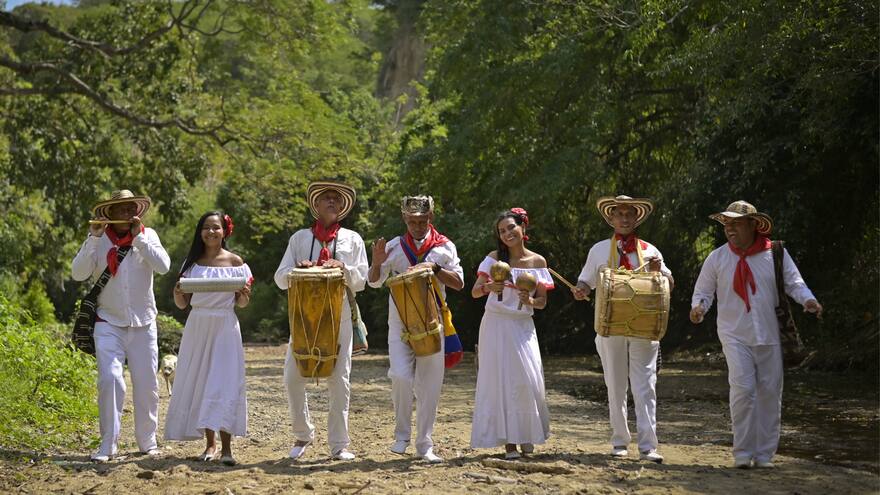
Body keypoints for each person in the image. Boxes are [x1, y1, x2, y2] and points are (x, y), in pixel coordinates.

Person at [690, 200, 822, 469]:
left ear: (753, 225)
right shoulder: (717, 258)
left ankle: (764, 456)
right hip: (733, 333)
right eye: (727, 224)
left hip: (770, 333)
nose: (730, 229)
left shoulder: (775, 254)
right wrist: (699, 308)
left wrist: (808, 300)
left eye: (736, 223)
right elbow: (703, 291)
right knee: (743, 389)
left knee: (770, 393)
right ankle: (742, 453)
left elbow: (794, 283)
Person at [71, 189, 171, 462]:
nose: (128, 213)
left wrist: (139, 238)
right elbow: (78, 273)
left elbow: (163, 266)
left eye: (131, 208)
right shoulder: (97, 239)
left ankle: (148, 441)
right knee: (110, 379)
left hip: (144, 322)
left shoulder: (148, 236)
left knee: (147, 383)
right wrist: (92, 237)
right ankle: (108, 444)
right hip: (107, 321)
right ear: (110, 214)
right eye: (121, 209)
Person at [572, 195, 672, 463]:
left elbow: (668, 285)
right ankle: (619, 441)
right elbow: (585, 282)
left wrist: (659, 272)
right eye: (619, 214)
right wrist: (580, 291)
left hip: (644, 327)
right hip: (610, 326)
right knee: (615, 385)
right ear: (611, 218)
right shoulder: (599, 250)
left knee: (645, 386)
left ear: (637, 218)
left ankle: (648, 446)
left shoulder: (651, 250)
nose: (625, 218)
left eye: (629, 214)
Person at [273, 180, 368, 461]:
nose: (331, 202)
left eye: (336, 200)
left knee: (340, 379)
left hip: (339, 315)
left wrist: (343, 267)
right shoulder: (300, 238)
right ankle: (303, 434)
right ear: (315, 206)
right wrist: (297, 269)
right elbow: (280, 279)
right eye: (325, 198)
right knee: (292, 377)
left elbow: (362, 281)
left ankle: (339, 444)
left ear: (342, 207)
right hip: (305, 316)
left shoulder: (353, 238)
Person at [367, 195, 464, 463]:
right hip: (399, 320)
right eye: (412, 222)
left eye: (422, 221)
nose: (418, 227)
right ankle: (401, 436)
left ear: (430, 218)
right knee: (400, 376)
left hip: (433, 320)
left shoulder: (444, 247)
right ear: (404, 220)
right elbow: (374, 282)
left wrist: (434, 268)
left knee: (430, 385)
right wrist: (376, 262)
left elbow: (459, 283)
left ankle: (424, 445)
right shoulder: (394, 246)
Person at [166, 211, 252, 466]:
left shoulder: (236, 262)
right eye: (206, 228)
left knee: (223, 382)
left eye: (216, 227)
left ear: (224, 231)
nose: (211, 232)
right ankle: (209, 444)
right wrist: (177, 291)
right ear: (200, 232)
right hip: (198, 325)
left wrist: (244, 293)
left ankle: (227, 448)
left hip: (225, 325)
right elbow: (182, 304)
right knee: (202, 381)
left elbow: (244, 303)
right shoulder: (191, 264)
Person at [470, 208, 552, 459]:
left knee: (527, 379)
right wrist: (488, 286)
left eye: (511, 228)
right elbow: (474, 292)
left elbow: (542, 303)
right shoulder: (494, 259)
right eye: (502, 231)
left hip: (522, 326)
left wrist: (529, 299)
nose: (507, 234)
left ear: (523, 228)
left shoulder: (538, 262)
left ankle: (526, 434)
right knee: (500, 380)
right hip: (495, 324)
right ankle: (508, 443)